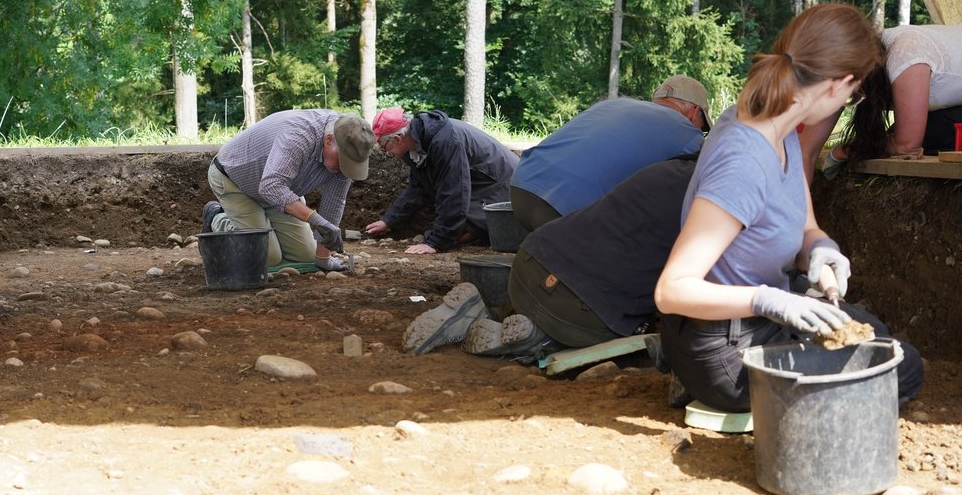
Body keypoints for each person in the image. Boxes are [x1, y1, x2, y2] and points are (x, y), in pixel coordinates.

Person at [653, 2, 923, 414]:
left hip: (751, 322)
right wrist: (771, 301)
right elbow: (672, 290)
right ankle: (696, 377)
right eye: (855, 94)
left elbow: (805, 227)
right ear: (839, 85)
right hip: (725, 349)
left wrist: (821, 248)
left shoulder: (781, 129)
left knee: (875, 334)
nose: (848, 101)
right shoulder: (744, 161)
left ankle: (689, 367)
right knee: (901, 368)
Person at [402, 155, 699, 356]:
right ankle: (538, 341)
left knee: (554, 293)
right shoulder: (714, 203)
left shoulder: (667, 168)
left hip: (531, 260)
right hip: (583, 308)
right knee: (620, 341)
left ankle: (485, 311)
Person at [508, 75, 709, 232]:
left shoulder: (615, 104)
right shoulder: (687, 131)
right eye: (703, 125)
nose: (701, 131)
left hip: (521, 189)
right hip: (569, 212)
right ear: (694, 111)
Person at [202, 109, 375, 271]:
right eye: (343, 160)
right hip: (235, 180)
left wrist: (323, 259)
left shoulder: (346, 152)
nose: (345, 169)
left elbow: (334, 203)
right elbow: (271, 186)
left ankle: (264, 229)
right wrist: (316, 220)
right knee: (267, 256)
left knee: (307, 256)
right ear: (329, 140)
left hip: (279, 192)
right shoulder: (299, 137)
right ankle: (217, 217)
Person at [805, 24, 962, 178]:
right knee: (892, 138)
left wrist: (845, 151)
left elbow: (906, 146)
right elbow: (806, 149)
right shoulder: (861, 52)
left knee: (927, 136)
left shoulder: (906, 57)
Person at [362, 108, 518, 254]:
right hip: (479, 182)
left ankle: (476, 230)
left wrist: (435, 243)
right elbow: (419, 187)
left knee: (458, 235)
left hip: (504, 186)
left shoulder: (445, 142)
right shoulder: (416, 143)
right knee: (454, 227)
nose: (385, 152)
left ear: (397, 138)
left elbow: (454, 191)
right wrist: (389, 220)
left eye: (384, 147)